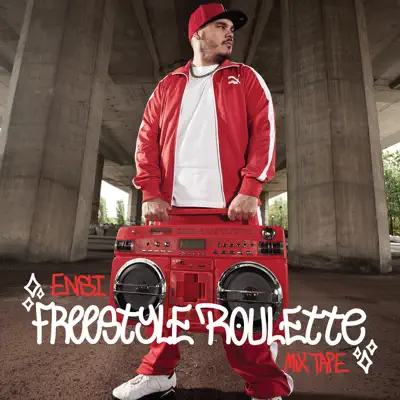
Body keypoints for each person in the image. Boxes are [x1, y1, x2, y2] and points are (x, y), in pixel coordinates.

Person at [112, 3, 293, 400]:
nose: (230, 33)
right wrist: (151, 191)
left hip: (232, 209)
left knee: (243, 300)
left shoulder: (245, 77)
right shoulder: (167, 85)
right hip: (173, 211)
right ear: (197, 34)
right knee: (166, 301)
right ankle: (159, 374)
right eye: (221, 26)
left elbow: (264, 132)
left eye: (232, 28)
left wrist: (250, 188)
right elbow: (146, 140)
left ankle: (266, 384)